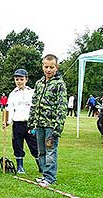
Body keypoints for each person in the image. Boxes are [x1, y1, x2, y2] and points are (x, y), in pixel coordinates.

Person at [28, 54, 67, 187]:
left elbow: (62, 106)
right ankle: (45, 175)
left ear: (56, 67)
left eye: (52, 67)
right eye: (46, 67)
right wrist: (31, 120)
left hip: (51, 125)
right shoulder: (39, 83)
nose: (48, 70)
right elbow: (34, 103)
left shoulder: (59, 84)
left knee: (51, 151)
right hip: (39, 124)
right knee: (41, 152)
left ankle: (50, 177)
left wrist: (58, 126)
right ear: (42, 67)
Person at [4, 69, 40, 174]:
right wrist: (7, 121)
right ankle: (20, 166)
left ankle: (41, 165)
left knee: (34, 145)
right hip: (18, 124)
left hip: (30, 124)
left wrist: (36, 122)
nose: (19, 81)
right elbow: (10, 109)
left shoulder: (32, 92)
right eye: (17, 79)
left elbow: (36, 108)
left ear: (26, 79)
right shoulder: (12, 94)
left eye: (21, 79)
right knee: (17, 145)